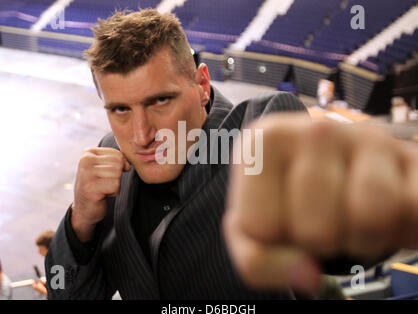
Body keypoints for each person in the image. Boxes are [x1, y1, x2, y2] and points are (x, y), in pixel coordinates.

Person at [45, 9, 418, 299]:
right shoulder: (109, 161)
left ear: (202, 85)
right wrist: (80, 222)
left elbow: (332, 236)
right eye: (120, 110)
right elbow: (66, 294)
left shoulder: (258, 130)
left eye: (160, 100)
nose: (141, 135)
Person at [33, 230, 54, 296]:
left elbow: (59, 296)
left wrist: (41, 289)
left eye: (41, 249)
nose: (39, 252)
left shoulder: (57, 265)